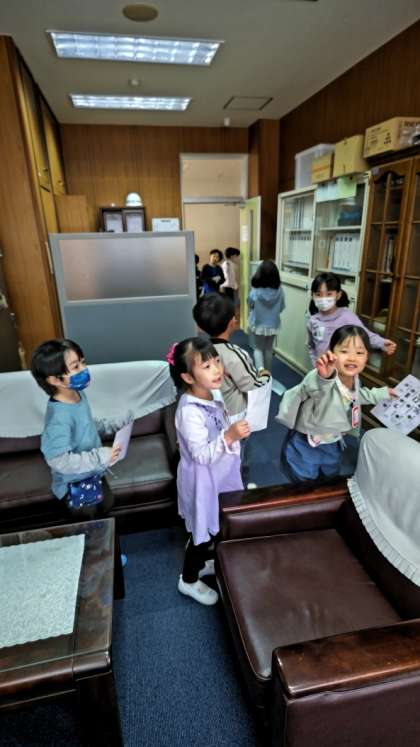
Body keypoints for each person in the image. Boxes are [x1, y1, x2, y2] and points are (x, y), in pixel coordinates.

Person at [167, 337, 249, 605]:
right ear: (187, 377)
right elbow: (201, 455)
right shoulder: (189, 411)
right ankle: (188, 580)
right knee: (200, 534)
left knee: (217, 521)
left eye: (216, 361)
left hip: (220, 474)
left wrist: (234, 429)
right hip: (202, 481)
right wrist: (229, 436)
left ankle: (203, 563)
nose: (217, 369)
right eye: (206, 366)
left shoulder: (213, 394)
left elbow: (219, 425)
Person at [276, 325, 395, 483]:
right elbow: (314, 388)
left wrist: (383, 393)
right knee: (303, 477)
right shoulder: (321, 376)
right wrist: (323, 378)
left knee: (330, 473)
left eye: (359, 353)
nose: (352, 358)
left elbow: (356, 396)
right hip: (307, 440)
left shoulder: (354, 379)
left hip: (333, 439)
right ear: (332, 353)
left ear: (367, 357)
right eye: (344, 351)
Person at [31, 339, 128, 529]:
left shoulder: (77, 394)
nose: (84, 369)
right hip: (75, 487)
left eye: (83, 362)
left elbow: (87, 424)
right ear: (54, 380)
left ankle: (109, 546)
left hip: (94, 472)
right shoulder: (58, 418)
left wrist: (111, 426)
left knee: (106, 514)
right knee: (90, 531)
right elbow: (59, 460)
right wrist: (100, 456)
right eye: (75, 367)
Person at [193, 293, 270, 486]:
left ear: (200, 325)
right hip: (234, 417)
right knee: (238, 456)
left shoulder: (198, 352)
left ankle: (220, 485)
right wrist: (265, 374)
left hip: (209, 416)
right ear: (232, 322)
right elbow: (250, 384)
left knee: (218, 453)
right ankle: (238, 488)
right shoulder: (234, 354)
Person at [307, 272, 396, 366]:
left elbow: (365, 335)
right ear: (312, 295)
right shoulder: (313, 320)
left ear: (338, 295)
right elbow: (311, 346)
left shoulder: (347, 316)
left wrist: (381, 343)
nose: (323, 299)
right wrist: (315, 363)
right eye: (318, 294)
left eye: (329, 294)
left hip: (343, 368)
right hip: (322, 369)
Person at [248, 260, 285, 372]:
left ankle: (261, 373)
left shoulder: (255, 291)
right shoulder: (280, 291)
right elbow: (281, 307)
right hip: (273, 324)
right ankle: (268, 373)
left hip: (258, 324)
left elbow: (250, 305)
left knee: (258, 348)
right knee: (269, 349)